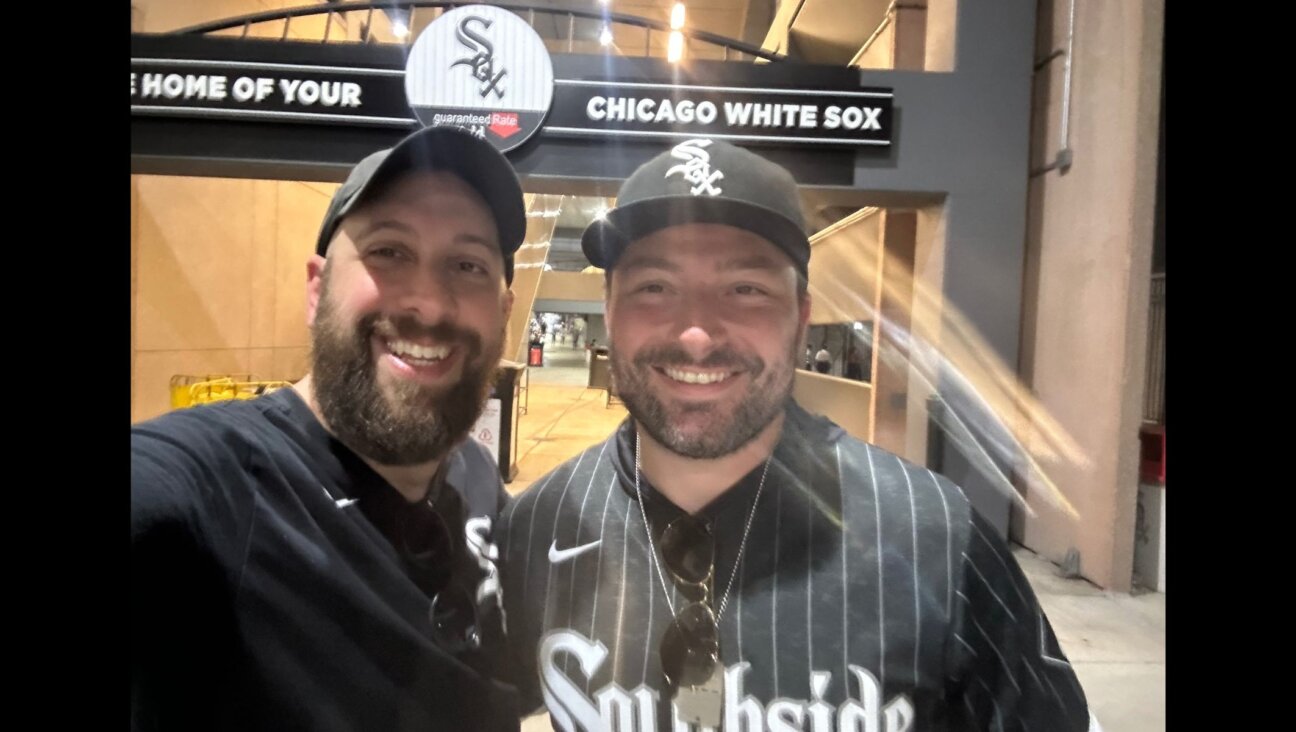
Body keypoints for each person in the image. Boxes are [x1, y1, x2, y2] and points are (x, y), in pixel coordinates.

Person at [495, 138, 1100, 731]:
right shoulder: (539, 528)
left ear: (800, 316)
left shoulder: (935, 536)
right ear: (611, 307)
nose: (697, 333)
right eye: (655, 286)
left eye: (745, 289)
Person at [132, 126, 525, 731]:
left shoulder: (472, 473)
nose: (429, 304)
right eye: (389, 252)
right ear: (317, 290)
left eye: (467, 264)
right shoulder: (220, 488)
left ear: (502, 313)